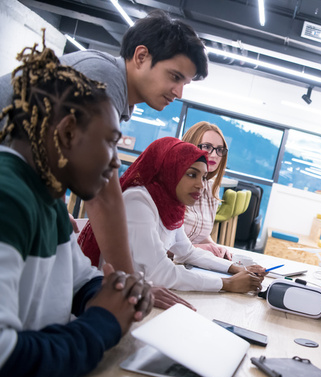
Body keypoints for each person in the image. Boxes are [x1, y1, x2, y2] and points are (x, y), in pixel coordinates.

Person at [0, 9, 209, 311]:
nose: (178, 92)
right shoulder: (103, 80)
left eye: (185, 84)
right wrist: (131, 284)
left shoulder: (116, 91)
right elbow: (105, 198)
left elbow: (54, 156)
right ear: (141, 56)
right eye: (174, 77)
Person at [0, 40, 153, 377]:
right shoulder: (8, 196)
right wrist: (102, 324)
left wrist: (117, 294)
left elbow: (78, 281)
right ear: (68, 132)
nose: (117, 162)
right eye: (112, 142)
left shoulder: (47, 196)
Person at [79, 137, 265, 293]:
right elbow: (160, 273)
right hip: (110, 295)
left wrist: (236, 269)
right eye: (192, 175)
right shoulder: (138, 201)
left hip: (137, 293)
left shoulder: (169, 205)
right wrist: (227, 284)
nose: (200, 184)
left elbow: (188, 252)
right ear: (168, 170)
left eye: (202, 177)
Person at [180, 121, 232, 259]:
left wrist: (215, 248)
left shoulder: (210, 187)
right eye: (207, 147)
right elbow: (160, 245)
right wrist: (200, 249)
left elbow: (200, 233)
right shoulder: (174, 184)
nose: (214, 155)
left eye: (220, 149)